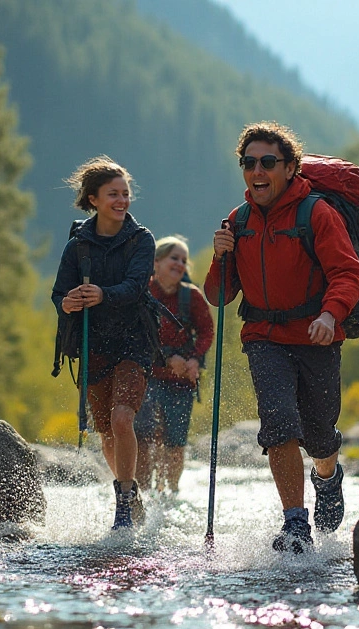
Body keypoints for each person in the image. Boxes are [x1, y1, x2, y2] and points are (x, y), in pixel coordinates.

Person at [205, 122, 359, 553]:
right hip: (264, 338)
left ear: (291, 168)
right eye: (249, 162)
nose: (257, 171)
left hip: (317, 338)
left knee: (319, 434)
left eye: (268, 162)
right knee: (278, 426)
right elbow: (218, 295)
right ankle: (296, 523)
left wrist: (331, 316)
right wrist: (220, 256)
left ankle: (328, 477)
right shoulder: (237, 221)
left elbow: (349, 273)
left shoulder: (316, 213)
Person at [52, 156, 155, 531]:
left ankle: (124, 501)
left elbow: (135, 287)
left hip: (134, 344)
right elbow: (58, 295)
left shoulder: (142, 239)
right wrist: (66, 303)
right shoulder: (76, 246)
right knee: (107, 433)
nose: (122, 200)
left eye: (126, 193)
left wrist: (100, 295)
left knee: (122, 418)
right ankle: (129, 489)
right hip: (92, 346)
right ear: (93, 199)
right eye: (113, 194)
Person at [134, 235, 214, 493]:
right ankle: (144, 491)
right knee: (144, 437)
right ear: (156, 262)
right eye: (174, 258)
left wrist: (193, 359)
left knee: (176, 441)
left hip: (181, 380)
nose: (180, 264)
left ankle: (170, 491)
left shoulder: (192, 297)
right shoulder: (141, 293)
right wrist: (168, 358)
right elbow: (136, 334)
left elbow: (206, 332)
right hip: (147, 376)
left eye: (183, 260)